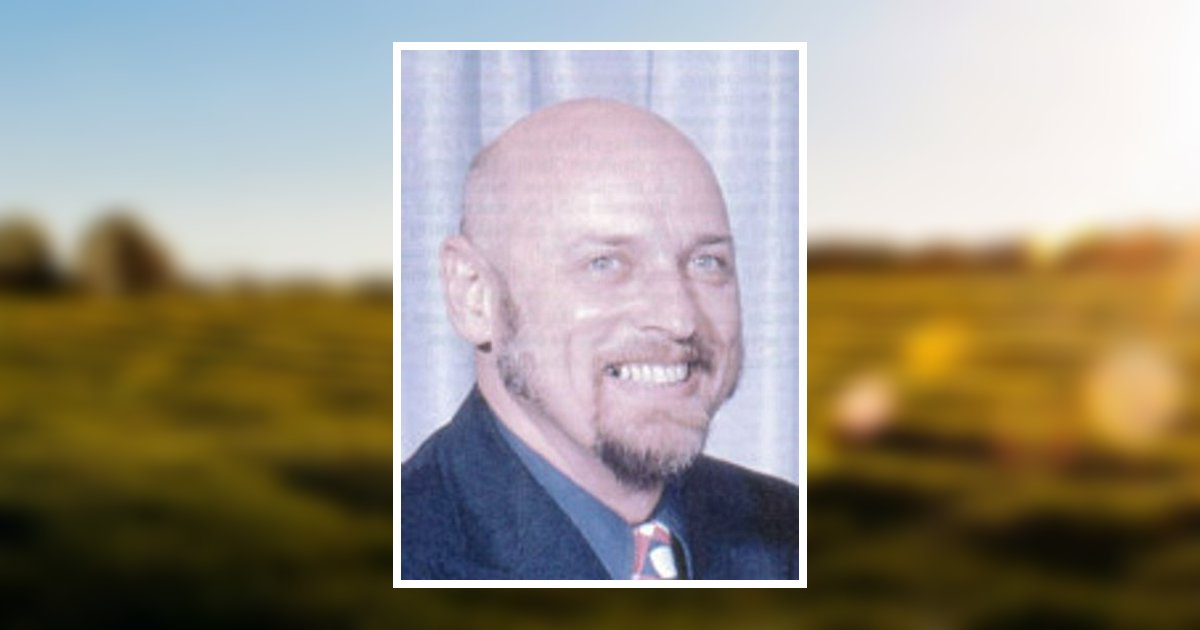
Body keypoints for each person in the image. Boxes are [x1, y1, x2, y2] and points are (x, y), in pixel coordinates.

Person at [401, 98, 798, 580]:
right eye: (605, 263)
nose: (679, 319)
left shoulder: (790, 530)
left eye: (706, 262)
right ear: (474, 295)